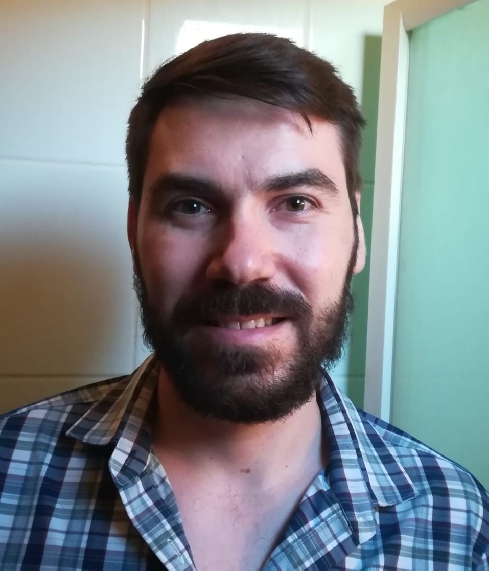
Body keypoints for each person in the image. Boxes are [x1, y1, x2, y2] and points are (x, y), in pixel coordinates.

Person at [0, 33, 487, 571]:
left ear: (358, 234)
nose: (242, 262)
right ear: (134, 229)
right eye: (190, 206)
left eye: (296, 203)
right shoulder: (7, 472)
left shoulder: (457, 520)